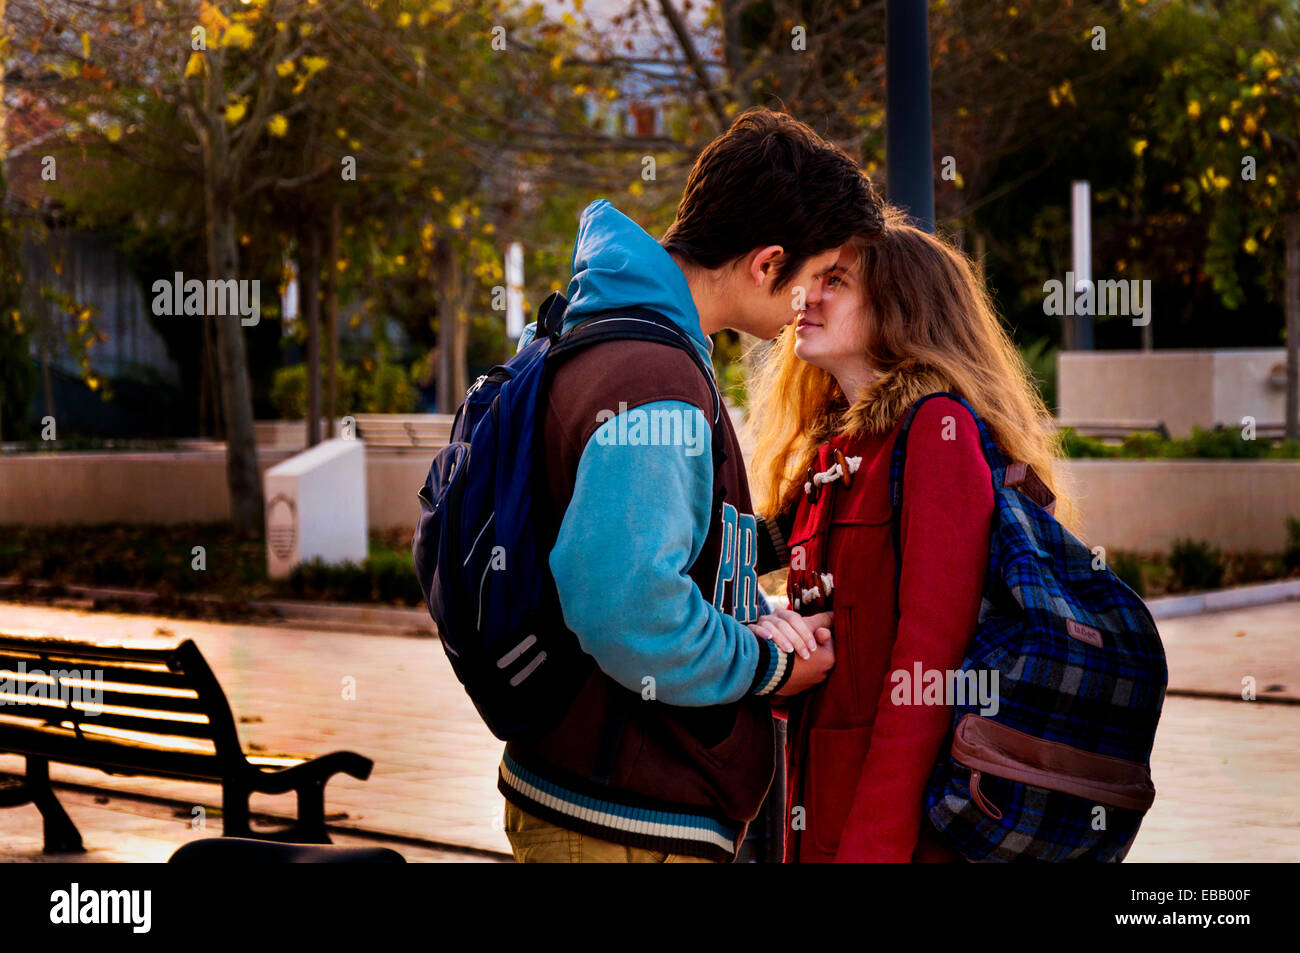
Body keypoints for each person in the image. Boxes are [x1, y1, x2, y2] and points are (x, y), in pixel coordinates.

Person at [499, 109, 885, 863]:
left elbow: (663, 553)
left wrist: (759, 594)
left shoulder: (609, 328)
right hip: (621, 825)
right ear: (768, 264)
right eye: (813, 280)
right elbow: (631, 609)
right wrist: (771, 664)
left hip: (594, 803)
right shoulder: (654, 378)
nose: (808, 306)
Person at [748, 205, 1078, 862]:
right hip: (815, 811)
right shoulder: (834, 451)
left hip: (892, 831)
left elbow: (928, 671)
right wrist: (774, 627)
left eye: (834, 281)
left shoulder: (935, 431)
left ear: (900, 308)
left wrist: (874, 846)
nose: (804, 297)